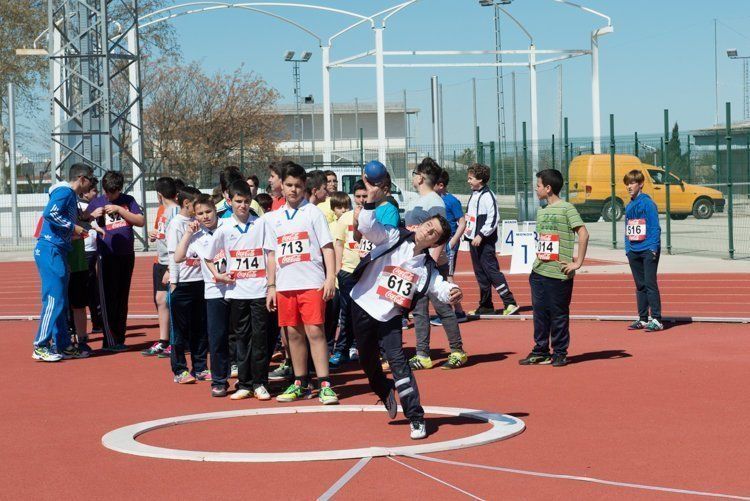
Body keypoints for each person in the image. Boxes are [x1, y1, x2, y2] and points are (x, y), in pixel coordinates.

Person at [350, 176, 463, 440]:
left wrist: (452, 292)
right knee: (367, 362)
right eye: (427, 226)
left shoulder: (426, 268)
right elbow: (367, 226)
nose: (427, 231)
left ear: (436, 243)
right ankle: (383, 390)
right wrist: (370, 200)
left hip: (389, 317)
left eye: (433, 233)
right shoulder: (393, 237)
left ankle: (416, 417)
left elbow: (440, 287)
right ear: (420, 225)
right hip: (362, 304)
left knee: (399, 362)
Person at [264, 161, 339, 404]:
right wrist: (271, 286)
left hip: (312, 283)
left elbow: (327, 247)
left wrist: (330, 277)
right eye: (289, 185)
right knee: (292, 335)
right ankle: (299, 382)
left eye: (298, 185)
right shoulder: (273, 218)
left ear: (304, 186)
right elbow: (272, 255)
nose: (293, 190)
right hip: (286, 286)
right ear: (281, 187)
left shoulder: (313, 213)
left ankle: (325, 383)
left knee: (315, 331)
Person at [204, 182, 272, 400]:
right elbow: (208, 256)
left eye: (246, 201)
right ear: (230, 201)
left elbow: (270, 254)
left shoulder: (260, 224)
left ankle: (260, 382)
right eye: (238, 201)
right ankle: (244, 383)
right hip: (237, 292)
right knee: (241, 338)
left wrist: (272, 284)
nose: (242, 206)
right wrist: (218, 275)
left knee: (260, 337)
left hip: (259, 290)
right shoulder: (224, 227)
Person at [520, 169, 589, 367]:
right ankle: (540, 350)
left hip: (559, 274)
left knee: (558, 315)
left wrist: (577, 263)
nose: (536, 188)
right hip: (539, 271)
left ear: (548, 188)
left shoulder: (567, 208)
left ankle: (560, 352)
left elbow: (583, 234)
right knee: (540, 314)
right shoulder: (541, 211)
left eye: (539, 185)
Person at [405, 158, 467, 371]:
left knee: (443, 308)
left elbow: (438, 235)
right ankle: (422, 354)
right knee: (420, 311)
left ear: (420, 177)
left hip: (432, 264)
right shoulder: (415, 201)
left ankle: (457, 350)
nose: (413, 177)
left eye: (414, 173)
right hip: (417, 264)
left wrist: (430, 262)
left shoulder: (435, 202)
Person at [33, 163, 95, 362]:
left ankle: (64, 345)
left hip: (58, 250)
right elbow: (50, 214)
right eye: (90, 180)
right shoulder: (65, 192)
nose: (92, 185)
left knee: (61, 300)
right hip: (50, 250)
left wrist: (75, 233)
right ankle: (40, 345)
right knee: (54, 299)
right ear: (82, 179)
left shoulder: (68, 195)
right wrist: (74, 227)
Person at [176, 194, 231, 396]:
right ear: (195, 216)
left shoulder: (229, 227)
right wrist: (188, 234)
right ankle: (219, 380)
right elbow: (178, 256)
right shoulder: (197, 237)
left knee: (240, 337)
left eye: (208, 211)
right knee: (217, 338)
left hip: (238, 289)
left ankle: (248, 379)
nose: (205, 216)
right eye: (200, 214)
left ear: (216, 210)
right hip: (214, 291)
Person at [87, 170, 145, 351]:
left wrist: (120, 209)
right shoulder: (98, 202)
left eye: (112, 192)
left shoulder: (128, 201)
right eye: (106, 191)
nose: (108, 195)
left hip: (126, 255)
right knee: (108, 297)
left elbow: (140, 221)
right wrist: (92, 215)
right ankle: (109, 339)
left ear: (119, 190)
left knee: (122, 297)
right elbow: (83, 220)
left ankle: (119, 337)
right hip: (106, 255)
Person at [464, 163, 519, 316]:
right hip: (473, 241)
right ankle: (486, 305)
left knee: (491, 270)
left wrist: (481, 235)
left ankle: (510, 302)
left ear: (480, 179)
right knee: (480, 273)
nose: (468, 181)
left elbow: (494, 218)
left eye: (471, 178)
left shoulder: (488, 196)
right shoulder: (474, 194)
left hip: (484, 241)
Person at [167, 186, 209, 384]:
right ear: (187, 204)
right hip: (183, 283)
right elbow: (172, 254)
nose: (200, 210)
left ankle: (200, 367)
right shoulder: (176, 224)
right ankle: (180, 369)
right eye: (196, 205)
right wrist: (174, 283)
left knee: (199, 328)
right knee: (180, 331)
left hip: (201, 282)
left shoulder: (200, 222)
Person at [329, 182, 368, 368]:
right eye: (358, 196)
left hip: (369, 272)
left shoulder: (374, 216)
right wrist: (337, 270)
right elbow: (338, 244)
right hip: (348, 272)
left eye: (365, 196)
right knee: (347, 314)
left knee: (366, 313)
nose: (361, 200)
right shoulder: (344, 218)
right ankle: (341, 350)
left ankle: (360, 348)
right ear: (353, 197)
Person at [143, 176, 179, 357]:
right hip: (162, 260)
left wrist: (171, 268)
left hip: (170, 263)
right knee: (160, 300)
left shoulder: (175, 212)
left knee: (170, 301)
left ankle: (175, 340)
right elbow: (164, 235)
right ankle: (164, 340)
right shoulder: (163, 211)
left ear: (159, 195)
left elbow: (177, 240)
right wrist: (156, 235)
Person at [623, 169, 663, 332]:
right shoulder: (629, 205)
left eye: (632, 183)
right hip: (634, 250)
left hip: (648, 249)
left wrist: (653, 248)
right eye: (627, 183)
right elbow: (627, 228)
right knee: (640, 285)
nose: (629, 186)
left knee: (650, 283)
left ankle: (657, 319)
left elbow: (654, 227)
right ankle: (643, 318)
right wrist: (627, 249)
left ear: (640, 184)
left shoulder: (648, 203)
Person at [432, 169, 467, 324]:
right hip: (440, 243)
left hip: (449, 243)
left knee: (448, 276)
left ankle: (452, 313)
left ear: (440, 185)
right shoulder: (433, 200)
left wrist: (453, 241)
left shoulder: (451, 201)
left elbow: (462, 222)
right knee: (445, 275)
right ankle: (458, 312)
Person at [324, 191, 351, 360]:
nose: (343, 210)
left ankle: (343, 348)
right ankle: (327, 348)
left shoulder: (350, 223)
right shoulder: (329, 226)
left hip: (345, 276)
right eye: (339, 207)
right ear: (333, 209)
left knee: (346, 315)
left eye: (345, 206)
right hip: (332, 278)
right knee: (331, 317)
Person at [80, 184, 103, 336]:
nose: (96, 193)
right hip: (85, 250)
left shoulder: (93, 205)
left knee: (93, 287)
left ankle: (97, 322)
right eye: (94, 190)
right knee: (88, 287)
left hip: (93, 250)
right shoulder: (82, 206)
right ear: (85, 192)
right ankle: (93, 322)